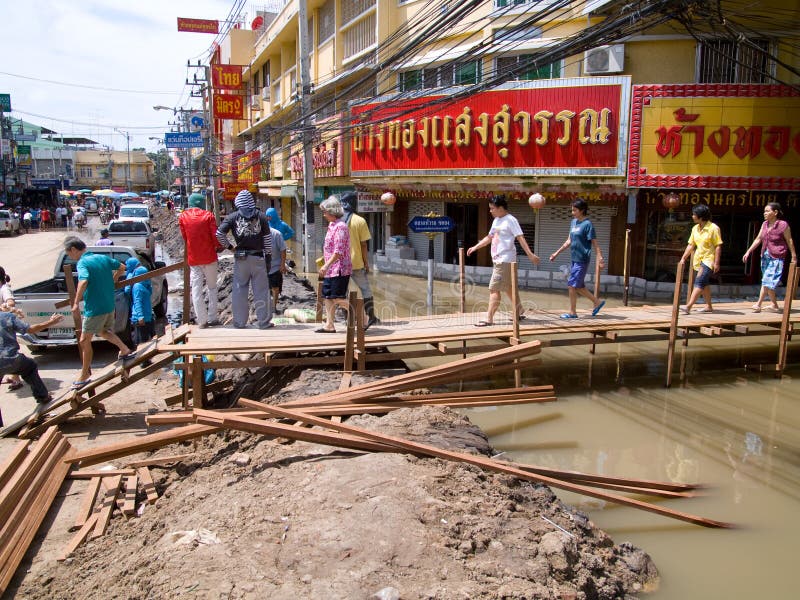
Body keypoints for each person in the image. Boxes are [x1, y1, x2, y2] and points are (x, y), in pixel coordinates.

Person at [64, 237, 137, 389]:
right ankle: (124, 349)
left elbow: (83, 281)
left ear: (73, 249)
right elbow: (122, 267)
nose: (70, 257)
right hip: (109, 304)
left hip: (95, 308)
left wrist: (76, 303)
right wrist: (112, 280)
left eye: (69, 253)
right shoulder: (101, 258)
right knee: (103, 331)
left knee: (84, 340)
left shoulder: (83, 263)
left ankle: (84, 375)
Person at [467, 195, 541, 326]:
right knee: (509, 288)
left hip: (505, 260)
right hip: (498, 259)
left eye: (492, 208)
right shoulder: (497, 220)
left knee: (494, 289)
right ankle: (519, 310)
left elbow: (520, 238)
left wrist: (530, 254)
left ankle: (489, 319)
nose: (490, 211)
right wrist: (475, 247)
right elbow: (489, 237)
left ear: (500, 208)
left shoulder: (511, 220)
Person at [216, 190, 274, 329]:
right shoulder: (261, 217)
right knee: (261, 291)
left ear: (238, 203)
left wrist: (230, 247)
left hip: (241, 258)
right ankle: (264, 323)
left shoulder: (232, 217)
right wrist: (269, 258)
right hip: (258, 258)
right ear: (252, 202)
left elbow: (219, 234)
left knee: (239, 290)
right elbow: (267, 241)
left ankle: (240, 323)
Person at [0, 310, 64, 423]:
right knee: (30, 367)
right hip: (11, 359)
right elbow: (30, 330)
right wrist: (51, 322)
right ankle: (42, 396)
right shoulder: (7, 317)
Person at [548, 198, 606, 319]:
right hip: (574, 259)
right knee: (578, 286)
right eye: (572, 210)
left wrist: (600, 258)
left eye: (574, 210)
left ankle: (573, 312)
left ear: (582, 210)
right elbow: (569, 241)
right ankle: (597, 302)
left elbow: (595, 243)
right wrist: (556, 253)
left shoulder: (588, 225)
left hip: (582, 259)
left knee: (572, 285)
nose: (572, 213)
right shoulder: (573, 222)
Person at [742, 202, 796, 313]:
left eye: (767, 211)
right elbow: (758, 239)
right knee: (768, 282)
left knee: (767, 280)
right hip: (765, 255)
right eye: (764, 211)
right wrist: (748, 251)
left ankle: (758, 304)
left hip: (777, 256)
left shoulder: (783, 225)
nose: (765, 213)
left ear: (775, 212)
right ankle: (774, 305)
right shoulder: (764, 224)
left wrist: (794, 255)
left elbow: (789, 240)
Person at [179, 192, 221, 328]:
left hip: (194, 258)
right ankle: (213, 317)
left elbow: (185, 237)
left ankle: (201, 321)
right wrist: (219, 246)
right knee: (212, 288)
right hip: (209, 257)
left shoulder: (183, 217)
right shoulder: (208, 216)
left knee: (196, 289)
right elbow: (215, 236)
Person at [339, 192, 380, 329]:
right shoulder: (360, 221)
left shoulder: (336, 220)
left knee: (342, 291)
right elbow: (363, 245)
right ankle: (371, 317)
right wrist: (366, 262)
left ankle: (348, 319)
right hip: (356, 262)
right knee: (365, 289)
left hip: (340, 263)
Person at [315, 197, 352, 334]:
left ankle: (363, 316)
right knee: (328, 296)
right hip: (331, 269)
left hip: (340, 268)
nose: (324, 215)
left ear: (332, 212)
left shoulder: (341, 227)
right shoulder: (332, 226)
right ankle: (329, 325)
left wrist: (326, 266)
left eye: (325, 212)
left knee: (338, 298)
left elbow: (339, 251)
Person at [679, 203, 723, 314]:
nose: (692, 216)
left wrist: (717, 263)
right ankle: (709, 306)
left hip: (709, 260)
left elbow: (718, 246)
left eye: (694, 214)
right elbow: (691, 245)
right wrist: (683, 258)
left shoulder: (713, 228)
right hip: (698, 259)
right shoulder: (695, 228)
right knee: (704, 283)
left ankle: (688, 306)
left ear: (701, 216)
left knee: (699, 282)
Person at [0, 266, 23, 392]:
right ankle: (14, 376)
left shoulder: (5, 289)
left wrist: (4, 306)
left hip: (5, 326)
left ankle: (16, 379)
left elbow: (10, 303)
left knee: (8, 352)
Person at [124, 257, 155, 345]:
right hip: (140, 318)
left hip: (147, 316)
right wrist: (140, 316)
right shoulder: (138, 287)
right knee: (142, 343)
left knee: (149, 341)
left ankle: (147, 358)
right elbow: (137, 302)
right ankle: (144, 358)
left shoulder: (145, 285)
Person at [268, 225, 287, 315]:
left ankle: (274, 307)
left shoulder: (276, 234)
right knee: (264, 289)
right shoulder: (257, 233)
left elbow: (283, 250)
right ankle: (265, 307)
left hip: (275, 266)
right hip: (261, 267)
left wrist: (282, 264)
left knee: (275, 288)